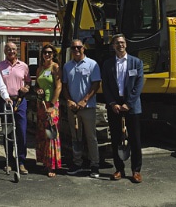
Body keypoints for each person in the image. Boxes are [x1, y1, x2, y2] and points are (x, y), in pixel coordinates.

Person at [102, 34, 144, 183]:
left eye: (122, 42)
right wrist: (112, 103)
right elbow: (105, 86)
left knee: (135, 140)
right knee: (116, 139)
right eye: (117, 43)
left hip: (131, 106)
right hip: (115, 106)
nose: (120, 45)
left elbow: (139, 85)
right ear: (113, 46)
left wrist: (129, 103)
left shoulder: (136, 62)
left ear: (126, 44)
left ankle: (136, 171)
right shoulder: (107, 64)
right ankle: (119, 169)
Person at [63, 39, 102, 178]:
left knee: (91, 137)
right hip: (73, 108)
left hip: (88, 107)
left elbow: (96, 84)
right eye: (73, 48)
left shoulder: (93, 64)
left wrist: (85, 100)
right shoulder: (67, 66)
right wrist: (69, 100)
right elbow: (65, 86)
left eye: (79, 47)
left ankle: (94, 165)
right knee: (75, 137)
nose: (76, 50)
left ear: (84, 48)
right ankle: (77, 163)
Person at [0, 42, 31, 174]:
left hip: (20, 101)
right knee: (7, 132)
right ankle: (9, 161)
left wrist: (26, 88)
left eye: (13, 49)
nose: (11, 51)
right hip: (4, 102)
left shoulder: (24, 66)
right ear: (5, 51)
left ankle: (21, 161)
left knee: (21, 132)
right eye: (8, 49)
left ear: (17, 51)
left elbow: (28, 82)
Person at [35, 44, 62, 177]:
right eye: (45, 52)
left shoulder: (55, 67)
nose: (47, 54)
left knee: (51, 134)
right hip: (41, 104)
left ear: (53, 54)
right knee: (42, 134)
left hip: (52, 104)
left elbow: (58, 87)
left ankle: (52, 166)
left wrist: (52, 104)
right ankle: (45, 163)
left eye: (50, 53)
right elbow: (37, 86)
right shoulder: (39, 68)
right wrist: (37, 90)